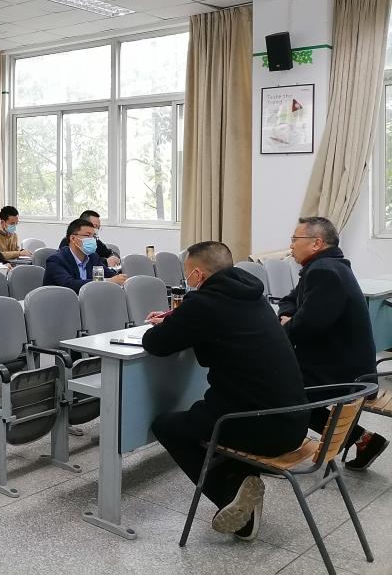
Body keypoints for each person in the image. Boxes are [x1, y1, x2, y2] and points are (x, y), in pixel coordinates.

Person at [144, 241, 308, 541]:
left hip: (259, 424)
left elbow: (157, 343)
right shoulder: (253, 295)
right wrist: (179, 318)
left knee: (168, 426)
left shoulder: (204, 302)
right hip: (293, 418)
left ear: (197, 274)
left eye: (187, 273)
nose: (187, 280)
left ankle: (229, 495)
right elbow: (217, 324)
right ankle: (244, 495)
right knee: (207, 416)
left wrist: (173, 321)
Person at [278, 216, 385, 470]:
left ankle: (276, 450)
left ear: (316, 243)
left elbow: (307, 327)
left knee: (279, 390)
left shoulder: (324, 272)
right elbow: (289, 300)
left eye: (294, 239)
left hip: (344, 372)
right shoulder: (323, 267)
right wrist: (289, 315)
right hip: (341, 363)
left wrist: (286, 325)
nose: (290, 245)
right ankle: (363, 439)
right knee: (282, 386)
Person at [43, 218, 125, 292]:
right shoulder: (55, 261)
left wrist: (121, 279)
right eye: (87, 235)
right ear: (73, 239)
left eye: (94, 236)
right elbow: (69, 284)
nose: (92, 240)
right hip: (61, 302)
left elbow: (111, 275)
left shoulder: (93, 257)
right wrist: (107, 281)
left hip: (88, 301)